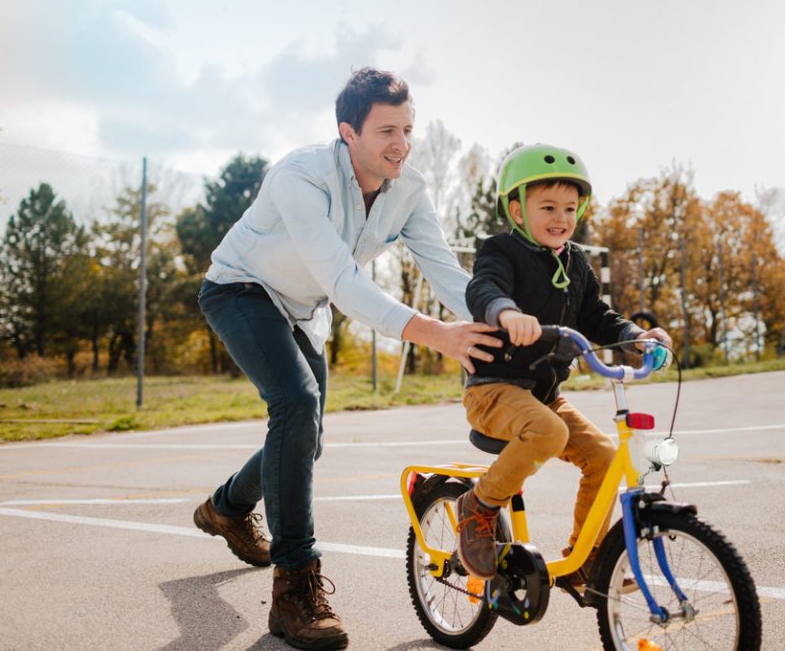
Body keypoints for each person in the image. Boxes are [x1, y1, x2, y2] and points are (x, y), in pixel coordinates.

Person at [193, 67, 501, 651]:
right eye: (387, 130)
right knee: (296, 403)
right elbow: (339, 277)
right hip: (241, 288)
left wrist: (499, 316)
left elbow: (447, 272)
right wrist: (436, 334)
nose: (401, 144)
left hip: (303, 308)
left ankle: (226, 508)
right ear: (347, 133)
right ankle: (294, 591)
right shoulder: (301, 175)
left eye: (409, 129)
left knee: (305, 435)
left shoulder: (408, 188)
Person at [455, 143, 672, 592]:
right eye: (548, 206)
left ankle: (584, 561)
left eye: (570, 208)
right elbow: (484, 289)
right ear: (517, 210)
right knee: (550, 432)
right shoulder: (500, 250)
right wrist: (505, 313)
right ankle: (478, 506)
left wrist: (635, 335)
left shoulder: (576, 263)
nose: (561, 217)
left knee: (606, 457)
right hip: (493, 390)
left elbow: (596, 315)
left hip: (544, 396)